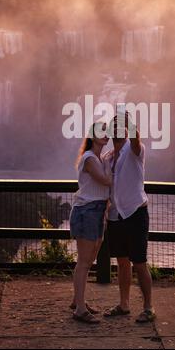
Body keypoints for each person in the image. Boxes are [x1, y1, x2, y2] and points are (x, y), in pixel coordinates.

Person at [103, 112, 156, 323]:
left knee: (140, 262)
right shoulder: (107, 157)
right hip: (116, 215)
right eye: (113, 127)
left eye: (120, 127)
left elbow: (136, 140)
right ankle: (124, 305)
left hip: (135, 212)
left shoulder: (135, 151)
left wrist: (131, 124)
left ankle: (148, 307)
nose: (116, 130)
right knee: (122, 262)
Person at [69, 122, 112, 324]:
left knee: (90, 258)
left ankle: (78, 300)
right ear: (93, 136)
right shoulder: (89, 159)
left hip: (97, 211)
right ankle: (79, 309)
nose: (106, 135)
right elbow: (105, 180)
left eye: (107, 132)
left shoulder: (99, 158)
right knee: (84, 261)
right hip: (86, 211)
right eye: (101, 132)